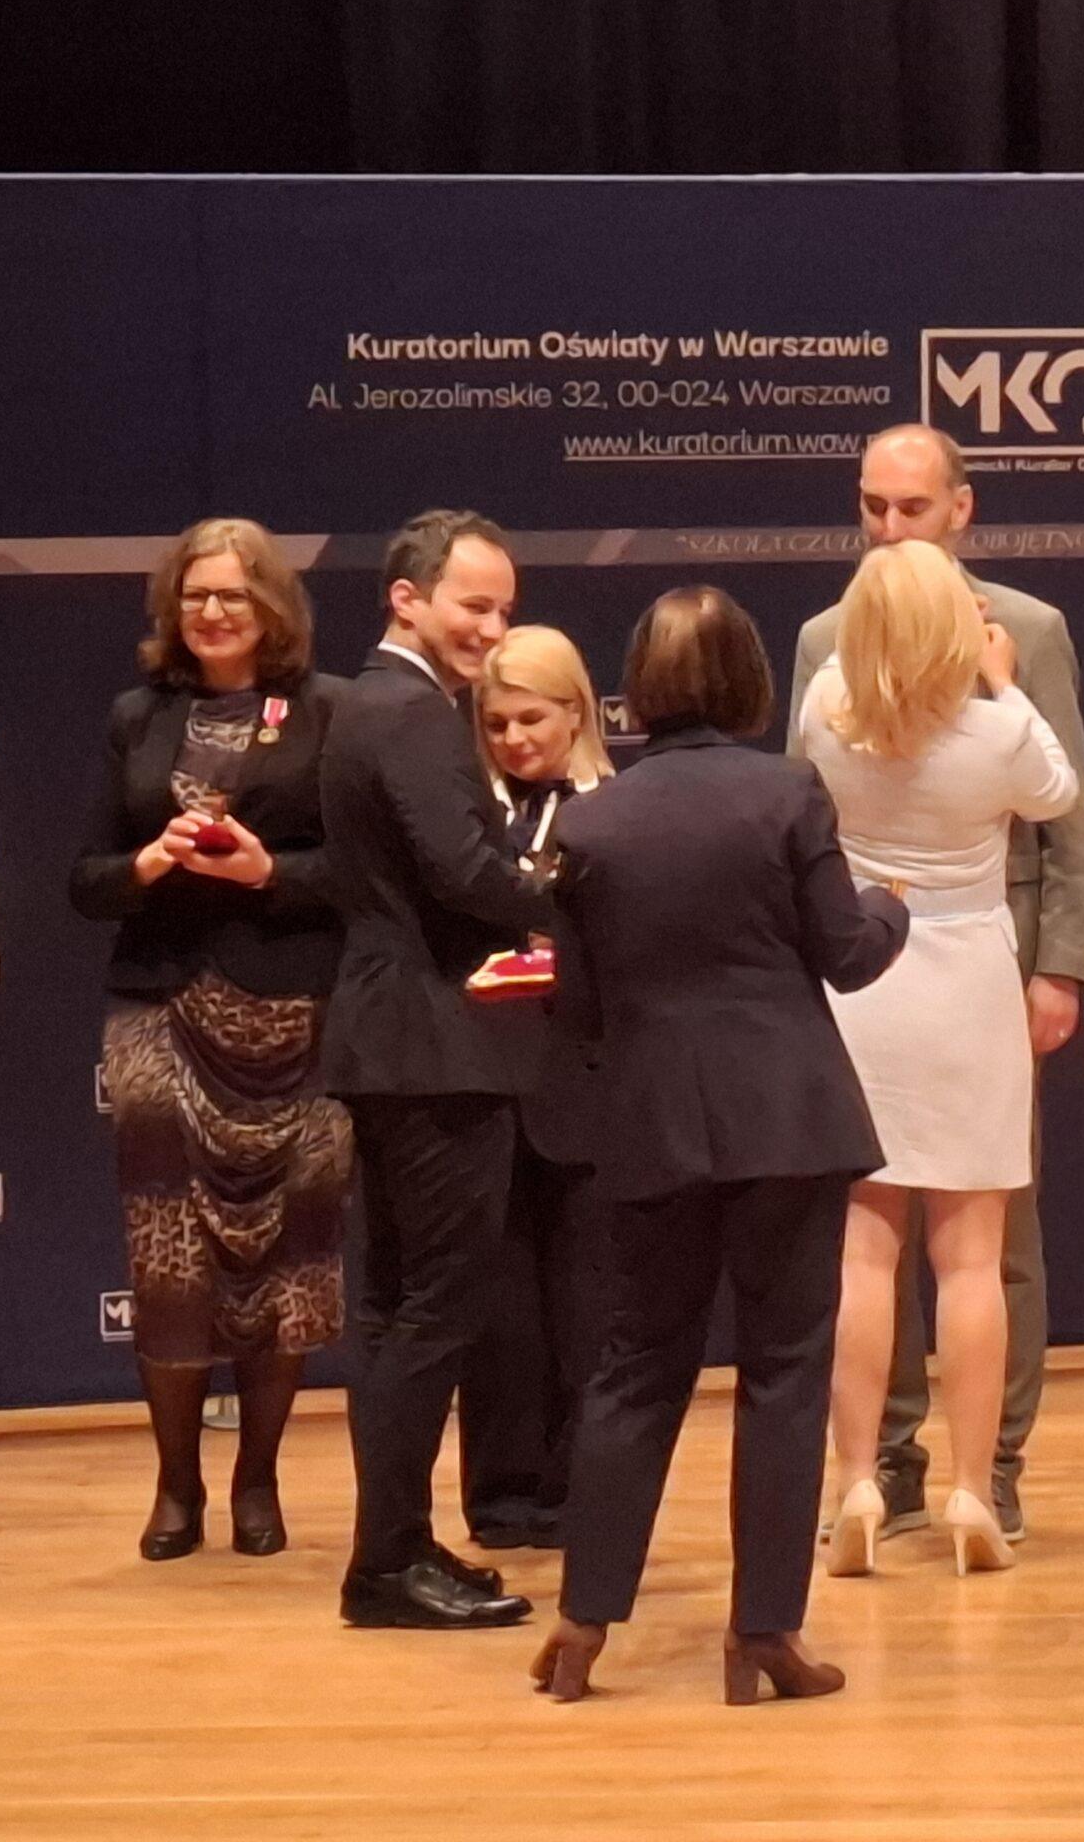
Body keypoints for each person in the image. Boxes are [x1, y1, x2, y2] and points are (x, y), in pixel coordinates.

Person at [531, 586, 907, 1705]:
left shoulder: (587, 822)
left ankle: (582, 1626)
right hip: (788, 1119)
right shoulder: (787, 791)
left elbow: (577, 1009)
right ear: (749, 679)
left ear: (637, 688)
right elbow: (848, 955)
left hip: (650, 1124)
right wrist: (890, 906)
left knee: (635, 1370)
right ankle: (763, 1638)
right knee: (784, 1373)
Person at [788, 423, 1084, 1545]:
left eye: (910, 507)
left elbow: (1073, 834)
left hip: (915, 972)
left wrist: (1061, 963)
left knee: (920, 1245)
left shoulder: (1030, 627)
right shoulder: (828, 639)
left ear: (961, 510)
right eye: (872, 505)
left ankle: (982, 1463)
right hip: (952, 968)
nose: (888, 526)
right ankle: (907, 1461)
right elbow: (803, 822)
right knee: (952, 1240)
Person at [67, 517, 352, 1561]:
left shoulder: (330, 711)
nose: (213, 612)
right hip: (160, 1005)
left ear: (270, 605)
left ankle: (259, 1479)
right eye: (195, 596)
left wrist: (267, 871)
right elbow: (85, 880)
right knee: (167, 1256)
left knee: (290, 1254)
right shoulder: (136, 716)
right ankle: (177, 1483)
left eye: (233, 594)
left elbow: (365, 873)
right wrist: (150, 861)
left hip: (296, 1015)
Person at [321, 509, 550, 1628]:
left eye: (503, 609)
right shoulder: (407, 710)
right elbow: (466, 872)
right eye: (474, 604)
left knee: (399, 1309)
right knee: (435, 1307)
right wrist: (573, 890)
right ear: (407, 598)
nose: (492, 629)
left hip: (396, 1039)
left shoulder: (379, 703)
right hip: (430, 1045)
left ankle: (393, 1552)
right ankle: (388, 1562)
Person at [455, 627, 615, 1552]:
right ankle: (501, 1498)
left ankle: (578, 1494)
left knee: (585, 1306)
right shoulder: (465, 820)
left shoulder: (614, 812)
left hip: (585, 1085)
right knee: (497, 1308)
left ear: (576, 713)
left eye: (531, 720)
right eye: (496, 723)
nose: (514, 740)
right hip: (482, 1079)